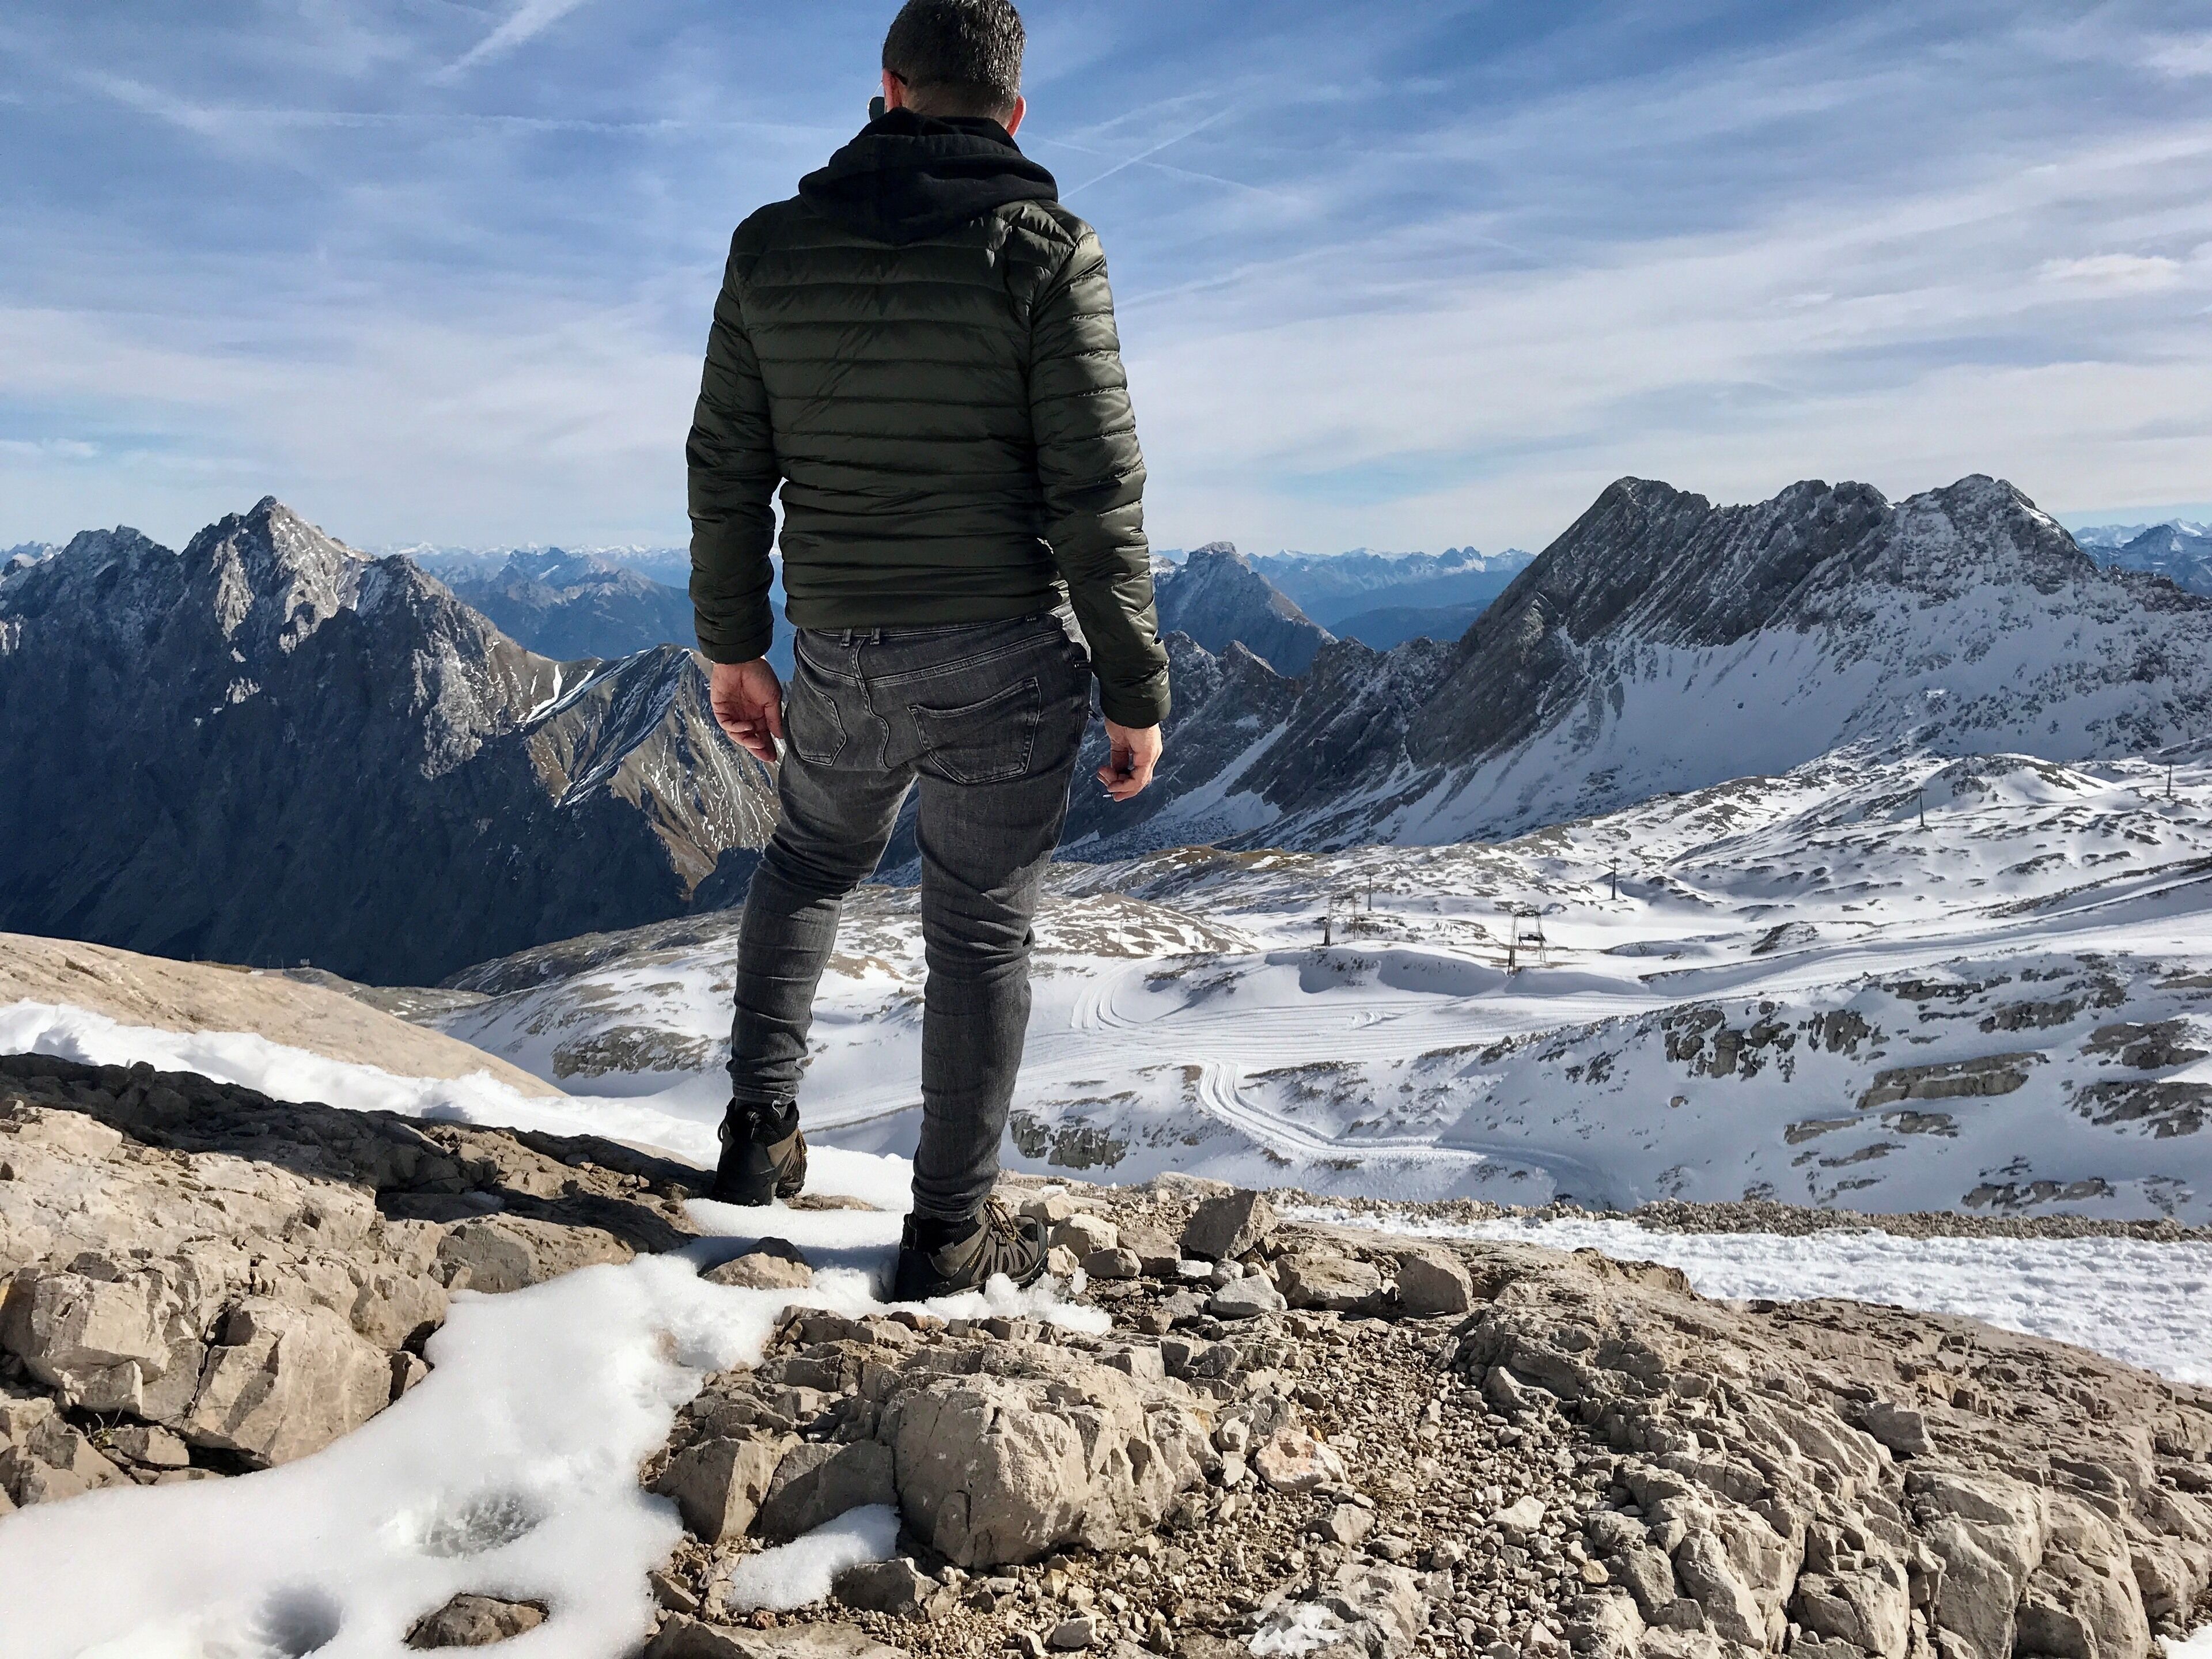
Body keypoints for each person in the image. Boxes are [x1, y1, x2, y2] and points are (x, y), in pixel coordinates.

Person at [685, 0, 1169, 1298]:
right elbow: (1096, 495)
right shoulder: (1048, 252)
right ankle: (949, 1237)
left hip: (840, 646)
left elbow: (727, 465)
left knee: (809, 860)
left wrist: (736, 648)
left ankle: (755, 1138)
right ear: (1015, 113)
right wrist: (1135, 687)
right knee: (979, 932)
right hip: (1004, 655)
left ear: (887, 90)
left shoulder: (771, 246)